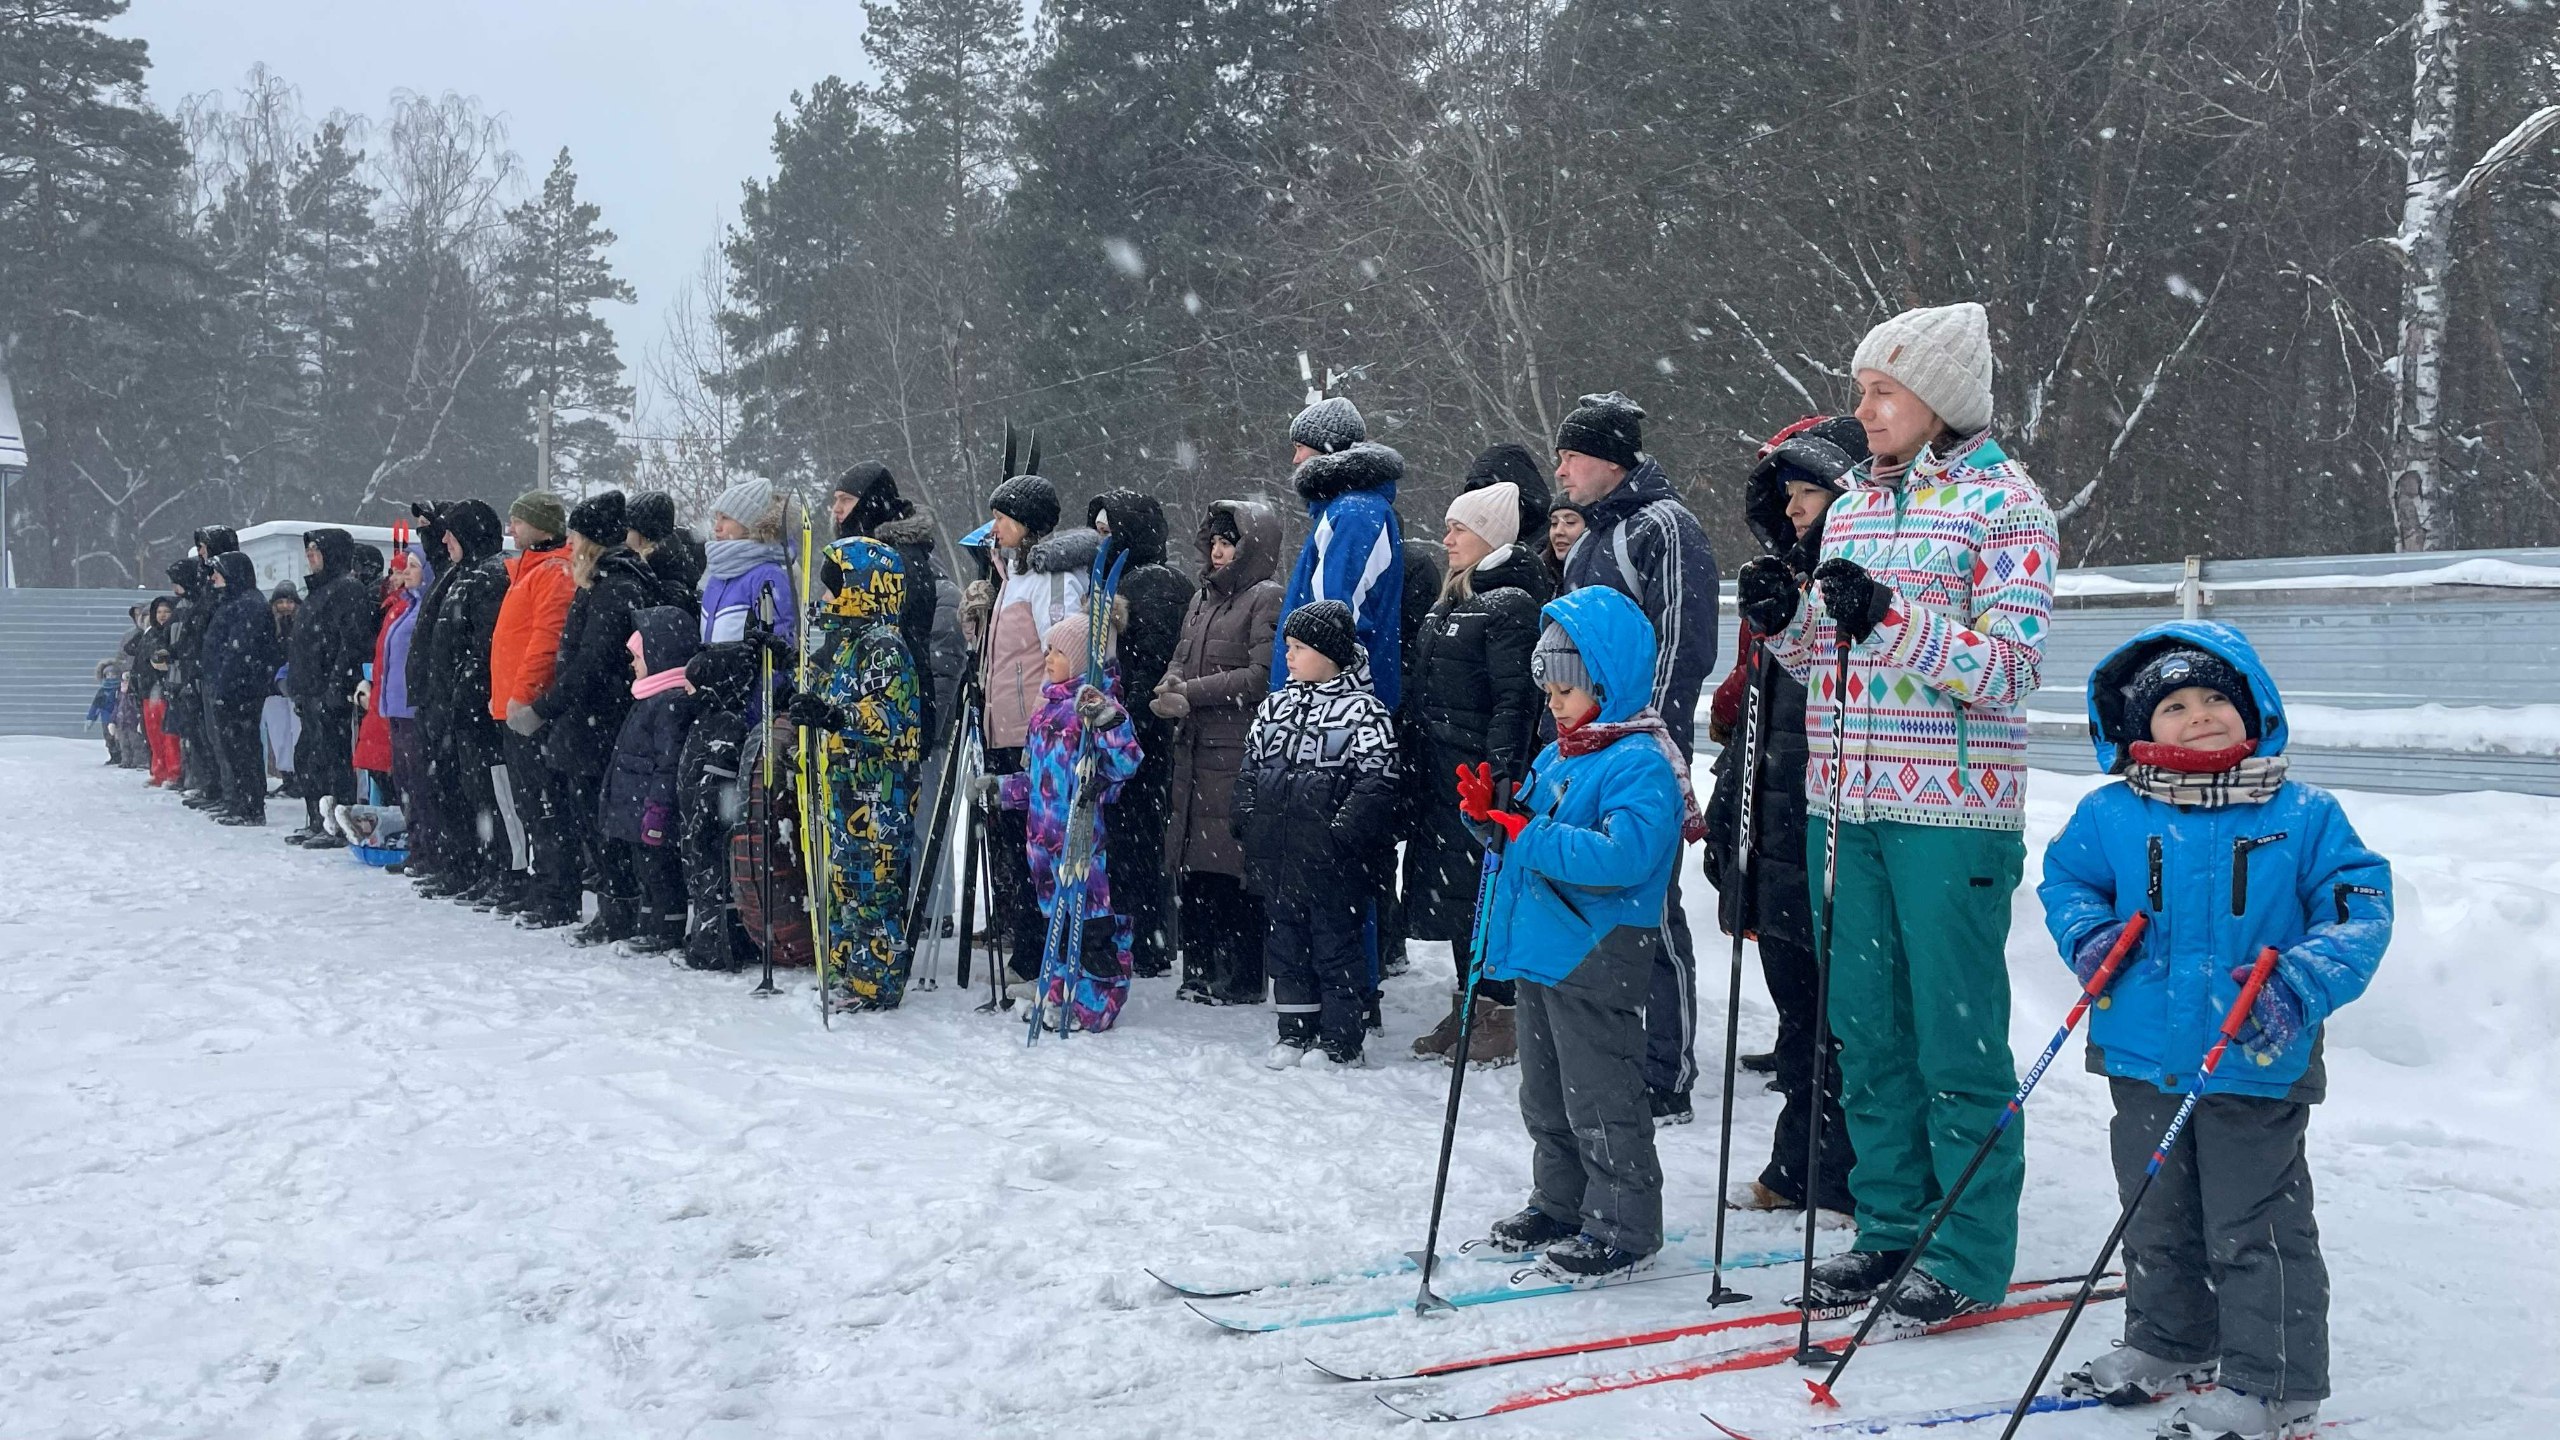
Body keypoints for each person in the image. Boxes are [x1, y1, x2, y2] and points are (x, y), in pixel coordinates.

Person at [1742, 301, 2058, 1324]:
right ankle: (1888, 1229)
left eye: (1884, 390)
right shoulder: (1852, 510)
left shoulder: (2007, 506)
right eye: (1863, 390)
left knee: (1954, 1043)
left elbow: (2007, 671)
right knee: (1866, 1034)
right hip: (1844, 806)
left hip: (1952, 815)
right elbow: (1834, 666)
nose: (1865, 409)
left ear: (1940, 398)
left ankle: (1963, 1251)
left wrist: (1888, 617)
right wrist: (1788, 624)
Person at [2041, 623, 2391, 1440]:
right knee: (2153, 1211)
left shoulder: (2304, 815)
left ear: (2252, 708)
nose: (2198, 715)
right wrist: (2089, 935)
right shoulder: (2110, 813)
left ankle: (2274, 1382)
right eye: (2174, 706)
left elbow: (2359, 910)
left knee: (2254, 1224)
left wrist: (2300, 982)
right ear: (2139, 727)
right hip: (2142, 1053)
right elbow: (2068, 883)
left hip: (2255, 1054)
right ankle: (2171, 1340)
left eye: (2213, 699)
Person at [1469, 585, 1700, 1277]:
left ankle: (1624, 1225)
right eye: (1548, 691)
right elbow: (1521, 838)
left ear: (1606, 681)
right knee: (1546, 1093)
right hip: (1545, 946)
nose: (1554, 704)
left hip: (1597, 948)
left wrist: (1526, 833)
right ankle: (1561, 1201)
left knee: (1600, 1094)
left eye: (1565, 690)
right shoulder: (1559, 757)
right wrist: (1488, 819)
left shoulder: (1639, 763)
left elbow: (1622, 858)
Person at [1705, 416, 1869, 1216]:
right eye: (1789, 494)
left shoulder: (1859, 585)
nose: (1796, 507)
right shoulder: (1780, 583)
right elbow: (1753, 716)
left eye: (1811, 491)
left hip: (1832, 823)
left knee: (1845, 1020)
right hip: (1773, 825)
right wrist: (1728, 814)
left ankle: (1845, 1170)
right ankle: (1801, 1162)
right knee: (1801, 1014)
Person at [1551, 389, 1719, 1124]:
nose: (1560, 471)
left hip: (1641, 748)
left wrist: (1638, 732)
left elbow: (1683, 645)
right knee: (1595, 895)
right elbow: (1566, 650)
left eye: (1571, 456)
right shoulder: (1591, 536)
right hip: (1582, 748)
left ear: (1611, 460)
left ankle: (1666, 1072)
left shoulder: (1665, 526)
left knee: (1651, 903)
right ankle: (1608, 1052)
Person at [1404, 476, 1551, 1068]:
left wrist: (1504, 774)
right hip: (1442, 771)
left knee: (1486, 893)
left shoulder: (1510, 605)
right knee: (1458, 896)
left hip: (1480, 773)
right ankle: (1470, 1002)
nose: (1446, 539)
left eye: (1458, 528)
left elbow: (1516, 699)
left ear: (1489, 536)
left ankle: (1501, 1010)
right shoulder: (1456, 600)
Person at [1232, 600, 1400, 1069]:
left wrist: (1341, 833)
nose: (1288, 655)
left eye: (1299, 647)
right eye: (1287, 646)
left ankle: (1341, 1040)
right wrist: (1245, 815)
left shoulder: (1364, 712)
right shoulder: (1275, 706)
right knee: (1286, 947)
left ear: (1329, 654)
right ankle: (1295, 1031)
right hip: (1279, 855)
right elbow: (1251, 767)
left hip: (1333, 862)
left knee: (1335, 948)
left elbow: (1377, 780)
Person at [963, 472, 1097, 976]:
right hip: (1005, 728)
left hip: (1035, 732)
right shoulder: (1014, 576)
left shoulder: (1051, 579)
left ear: (1027, 523)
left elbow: (1062, 657)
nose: (994, 528)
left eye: (1002, 518)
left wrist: (1047, 725)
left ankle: (1043, 952)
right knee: (1013, 847)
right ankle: (1028, 946)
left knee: (1036, 847)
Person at [785, 535, 927, 1010]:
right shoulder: (846, 641)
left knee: (873, 888)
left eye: (835, 587)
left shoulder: (884, 647)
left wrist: (835, 716)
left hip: (879, 795)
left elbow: (891, 715)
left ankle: (876, 983)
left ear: (864, 589)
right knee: (845, 884)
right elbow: (822, 688)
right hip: (844, 787)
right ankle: (847, 970)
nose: (826, 597)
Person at [984, 611, 1143, 1030]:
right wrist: (1001, 789)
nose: (1048, 657)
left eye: (1057, 651)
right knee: (1058, 923)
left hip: (1083, 839)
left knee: (1091, 926)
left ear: (1081, 659)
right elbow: (1039, 779)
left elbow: (1126, 762)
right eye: (1048, 649)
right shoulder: (1046, 711)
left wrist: (1106, 721)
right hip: (1044, 843)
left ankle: (1096, 1003)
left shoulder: (1097, 709)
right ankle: (1060, 990)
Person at [1157, 498, 1284, 1006]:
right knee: (1194, 863)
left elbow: (1261, 676)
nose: (1217, 552)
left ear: (1251, 548)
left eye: (1228, 543)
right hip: (1193, 749)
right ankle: (1199, 965)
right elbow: (1181, 656)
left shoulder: (1266, 598)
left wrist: (1192, 692)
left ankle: (1242, 975)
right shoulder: (1200, 599)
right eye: (1213, 542)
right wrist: (1171, 683)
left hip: (1235, 750)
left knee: (1234, 864)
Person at [533, 491, 668, 946]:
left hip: (599, 722)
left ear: (591, 541)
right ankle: (617, 905)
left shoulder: (615, 587)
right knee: (593, 816)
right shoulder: (606, 583)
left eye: (575, 536)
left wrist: (547, 706)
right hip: (590, 720)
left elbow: (592, 662)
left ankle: (620, 907)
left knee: (602, 819)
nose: (569, 544)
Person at [1087, 490, 1193, 977]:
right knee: (1127, 838)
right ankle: (1138, 934)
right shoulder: (1123, 580)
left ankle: (1147, 939)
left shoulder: (1154, 583)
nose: (1100, 541)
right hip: (1126, 728)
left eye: (1108, 532)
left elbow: (1152, 661)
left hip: (1144, 734)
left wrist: (1126, 719)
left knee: (1140, 838)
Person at [1272, 413, 1405, 711]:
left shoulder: (1355, 513)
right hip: (1326, 704)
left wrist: (1312, 705)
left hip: (1333, 710)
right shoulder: (1343, 509)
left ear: (1326, 448)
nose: (1295, 460)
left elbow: (1333, 623)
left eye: (1300, 447)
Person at [490, 492, 580, 924]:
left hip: (529, 712)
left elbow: (546, 642)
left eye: (518, 521)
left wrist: (524, 697)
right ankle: (541, 885)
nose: (511, 529)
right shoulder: (528, 570)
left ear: (542, 526)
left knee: (545, 805)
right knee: (529, 804)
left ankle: (556, 894)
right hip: (512, 706)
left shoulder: (553, 572)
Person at [421, 500, 513, 906]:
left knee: (489, 798)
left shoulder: (489, 577)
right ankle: (470, 867)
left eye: (451, 533)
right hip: (454, 710)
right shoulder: (462, 575)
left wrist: (463, 698)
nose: (444, 540)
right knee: (461, 793)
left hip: (476, 713)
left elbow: (482, 650)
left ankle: (501, 872)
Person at [602, 606, 703, 955]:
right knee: (646, 868)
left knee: (662, 872)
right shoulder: (649, 696)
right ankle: (648, 923)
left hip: (650, 807)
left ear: (659, 656)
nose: (632, 663)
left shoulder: (670, 703)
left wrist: (658, 808)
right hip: (637, 807)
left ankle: (666, 929)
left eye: (638, 656)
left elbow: (668, 765)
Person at [286, 528, 378, 849]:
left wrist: (336, 689)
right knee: (308, 759)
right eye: (308, 550)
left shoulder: (347, 589)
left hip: (329, 693)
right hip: (309, 691)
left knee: (332, 760)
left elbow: (351, 644)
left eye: (316, 549)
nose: (310, 556)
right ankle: (317, 818)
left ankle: (337, 823)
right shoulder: (317, 592)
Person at [675, 642, 759, 971]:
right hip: (693, 819)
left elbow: (721, 782)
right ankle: (706, 939)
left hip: (709, 823)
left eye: (693, 686)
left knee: (714, 883)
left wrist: (707, 820)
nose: (687, 692)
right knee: (700, 882)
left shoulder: (728, 725)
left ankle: (715, 947)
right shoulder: (704, 721)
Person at [199, 552, 280, 825]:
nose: (213, 578)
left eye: (218, 572)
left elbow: (240, 651)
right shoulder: (235, 602)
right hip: (232, 686)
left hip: (240, 689)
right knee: (233, 748)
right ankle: (239, 802)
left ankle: (250, 806)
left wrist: (225, 684)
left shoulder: (248, 605)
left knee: (243, 748)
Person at [372, 532, 435, 869]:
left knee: (419, 782)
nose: (406, 572)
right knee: (405, 781)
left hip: (412, 708)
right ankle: (417, 845)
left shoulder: (424, 609)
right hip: (395, 706)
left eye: (413, 566)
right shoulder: (407, 606)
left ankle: (427, 849)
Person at [699, 478, 797, 651]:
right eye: (716, 518)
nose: (717, 527)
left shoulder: (768, 575)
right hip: (714, 669)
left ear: (749, 524)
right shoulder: (718, 575)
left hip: (745, 670)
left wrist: (743, 663)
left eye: (725, 518)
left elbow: (779, 648)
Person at [624, 491, 704, 624]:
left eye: (627, 529)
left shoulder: (666, 586)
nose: (621, 535)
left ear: (644, 535)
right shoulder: (658, 567)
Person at [1544, 502, 1584, 589]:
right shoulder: (1540, 573)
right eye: (1554, 523)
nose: (1558, 531)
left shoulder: (1600, 575)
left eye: (1570, 522)